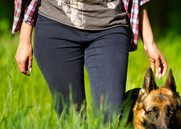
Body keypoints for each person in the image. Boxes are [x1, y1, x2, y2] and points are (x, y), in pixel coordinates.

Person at [13, 0, 168, 121]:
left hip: (110, 27)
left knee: (111, 113)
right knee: (71, 115)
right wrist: (24, 39)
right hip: (56, 24)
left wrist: (149, 41)